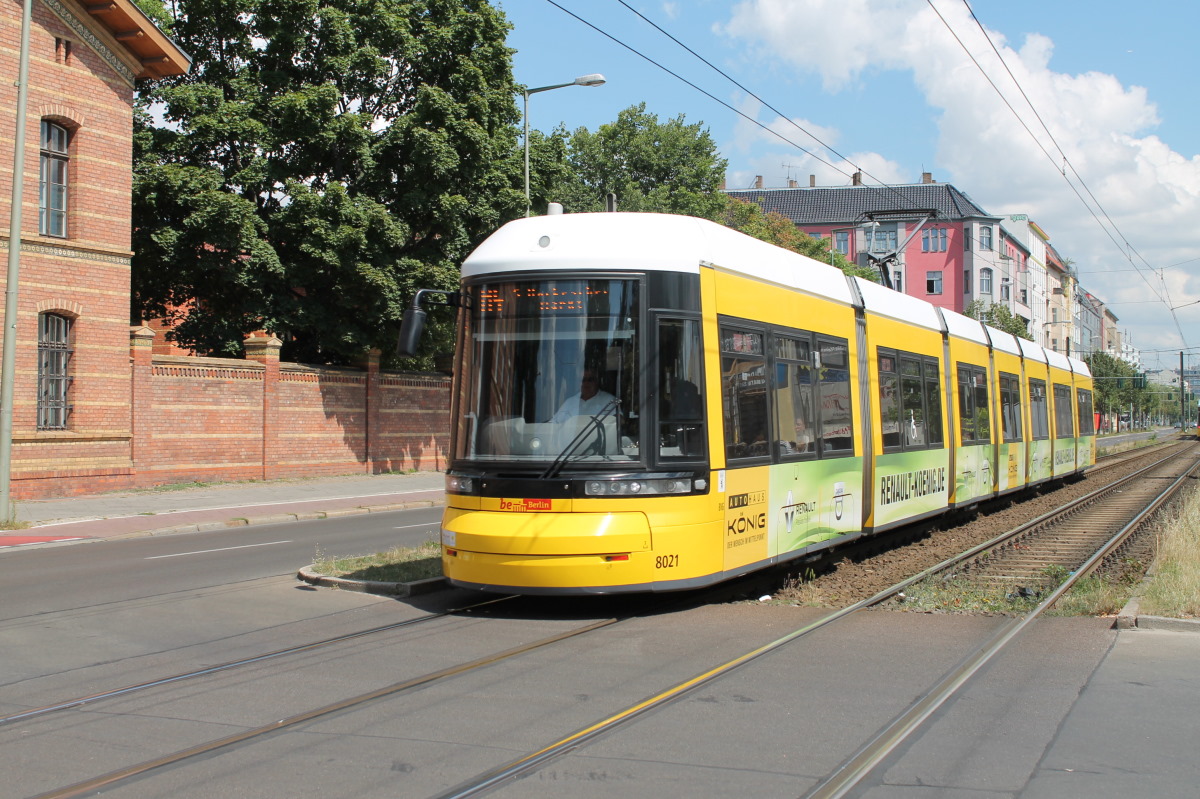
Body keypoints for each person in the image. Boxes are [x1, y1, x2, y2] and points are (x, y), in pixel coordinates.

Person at [551, 369, 618, 422]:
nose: (586, 383)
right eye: (583, 380)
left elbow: (619, 421)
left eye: (590, 380)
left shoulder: (609, 400)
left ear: (597, 381)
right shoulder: (570, 402)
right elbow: (554, 423)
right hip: (573, 439)